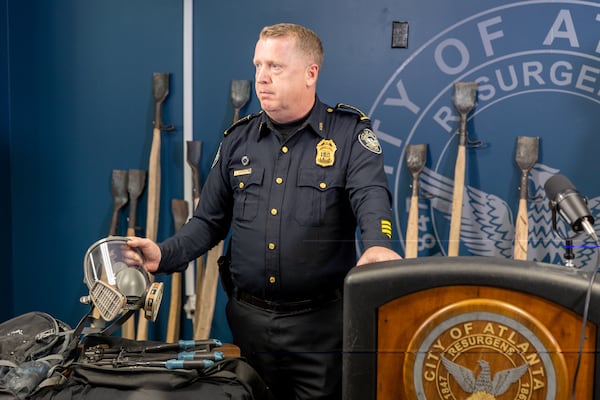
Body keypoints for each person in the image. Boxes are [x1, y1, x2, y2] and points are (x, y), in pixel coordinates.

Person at [126, 22, 402, 400]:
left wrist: (378, 244)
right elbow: (208, 221)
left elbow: (372, 197)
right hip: (248, 325)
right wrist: (165, 254)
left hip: (320, 330)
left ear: (310, 73)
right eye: (258, 66)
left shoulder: (348, 135)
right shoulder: (238, 138)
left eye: (275, 67)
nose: (261, 78)